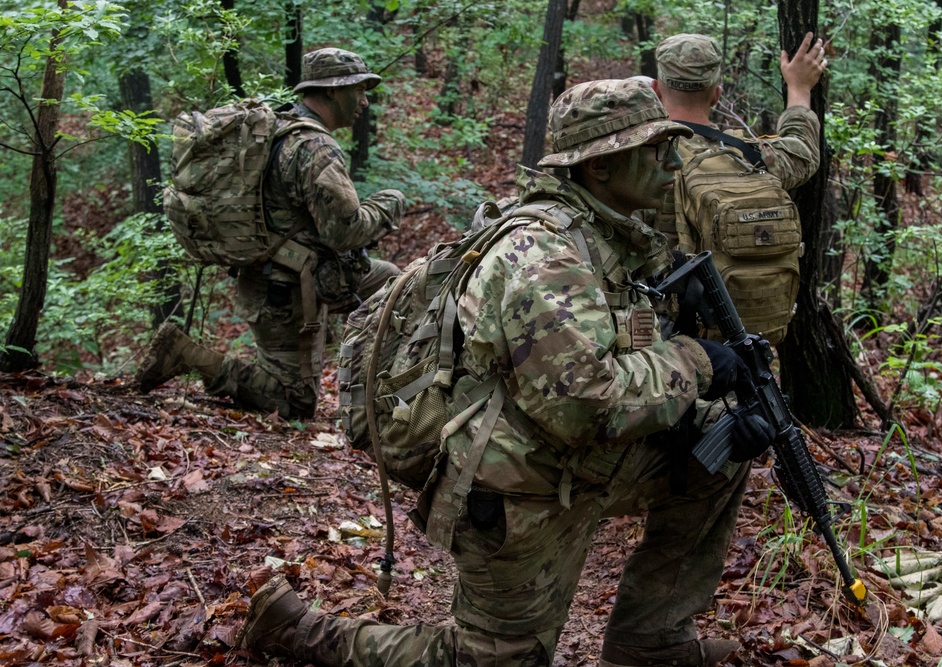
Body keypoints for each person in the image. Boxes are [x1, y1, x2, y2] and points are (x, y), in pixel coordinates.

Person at [236, 79, 775, 667]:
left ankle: (652, 642)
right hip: (515, 489)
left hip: (572, 463)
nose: (672, 160)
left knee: (716, 455)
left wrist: (709, 414)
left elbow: (618, 365)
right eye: (653, 149)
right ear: (598, 167)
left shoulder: (610, 240)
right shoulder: (544, 256)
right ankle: (299, 630)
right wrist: (697, 363)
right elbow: (584, 404)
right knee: (492, 659)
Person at [138, 47, 405, 420]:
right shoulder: (314, 146)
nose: (363, 100)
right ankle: (187, 353)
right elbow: (345, 232)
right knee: (293, 404)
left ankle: (378, 390)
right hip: (282, 292)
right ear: (330, 91)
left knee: (393, 285)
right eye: (357, 89)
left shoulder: (282, 131)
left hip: (295, 278)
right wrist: (389, 204)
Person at [649, 33, 826, 343]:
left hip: (663, 349)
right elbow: (803, 150)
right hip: (739, 345)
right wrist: (799, 87)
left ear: (655, 89)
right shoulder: (748, 157)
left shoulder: (640, 161)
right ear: (717, 94)